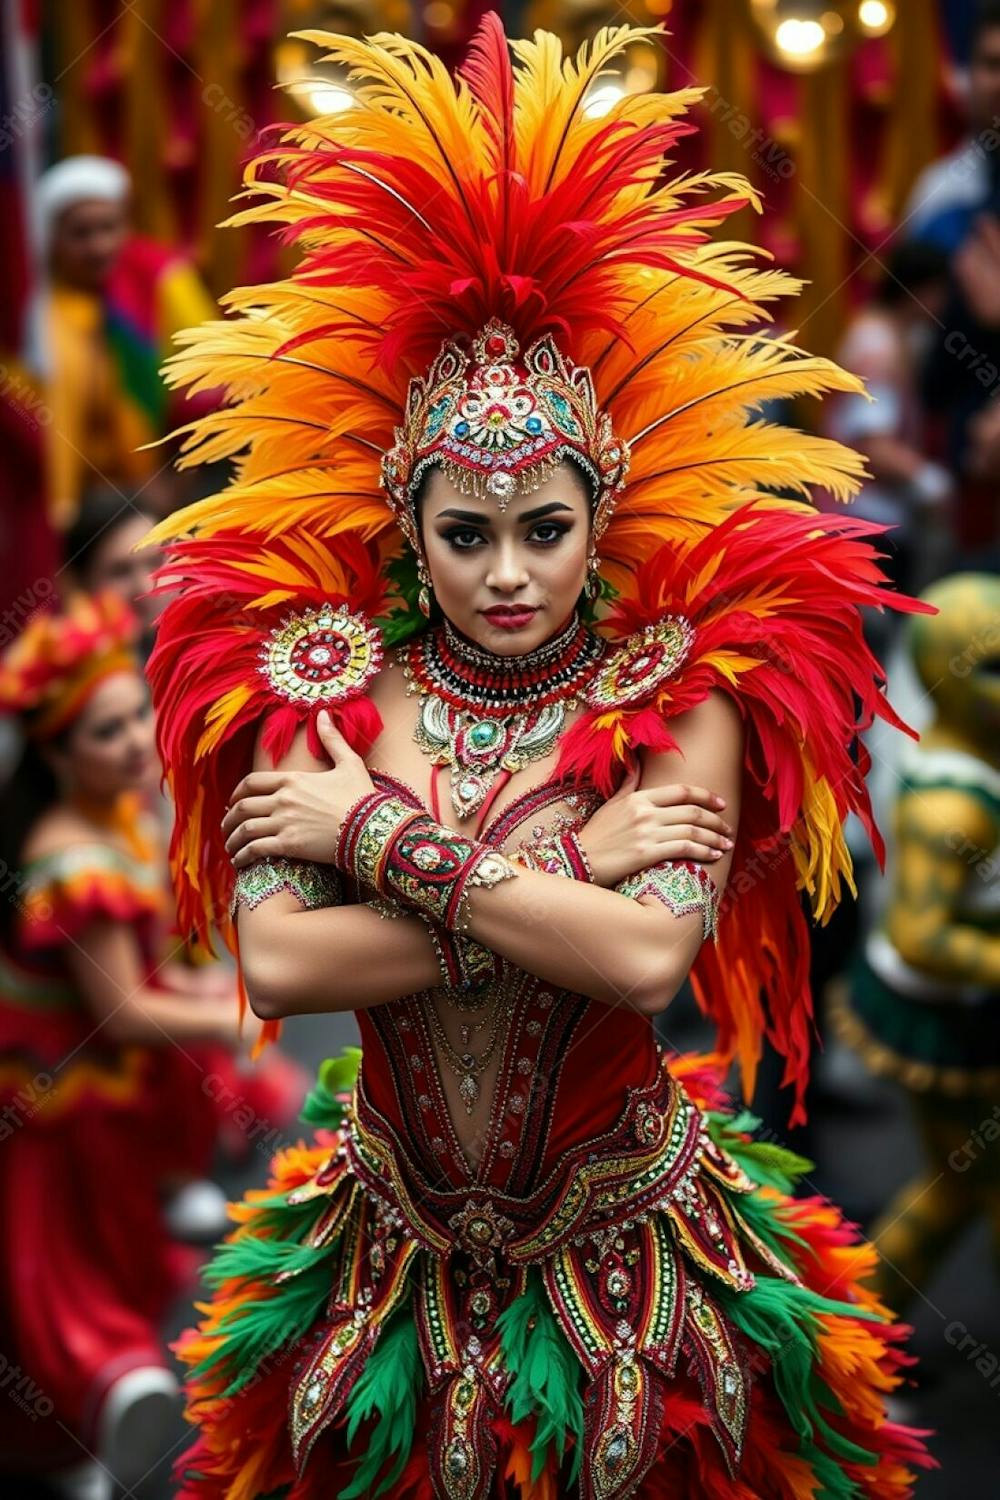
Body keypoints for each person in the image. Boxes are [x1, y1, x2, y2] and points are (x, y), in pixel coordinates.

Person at [145, 19, 933, 1497]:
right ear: (410, 527)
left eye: (544, 529)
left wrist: (379, 836)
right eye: (466, 533)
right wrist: (568, 876)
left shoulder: (679, 685)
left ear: (600, 515)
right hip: (381, 1266)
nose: (508, 572)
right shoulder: (325, 676)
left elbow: (648, 967)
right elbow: (283, 968)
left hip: (632, 1261)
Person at [0, 591, 241, 1500]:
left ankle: (84, 1428)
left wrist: (208, 994)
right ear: (58, 756)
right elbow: (123, 1011)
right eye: (106, 732)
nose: (137, 738)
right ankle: (93, 1410)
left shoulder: (112, 819)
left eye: (138, 713)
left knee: (105, 1260)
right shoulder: (77, 859)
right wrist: (231, 1013)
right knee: (62, 1282)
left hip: (96, 1091)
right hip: (61, 1108)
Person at [831, 572, 1000, 1316]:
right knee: (963, 1187)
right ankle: (854, 1347)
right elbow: (921, 934)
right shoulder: (950, 807)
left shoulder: (972, 747)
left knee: (959, 1189)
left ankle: (854, 1347)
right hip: (946, 1021)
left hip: (965, 1013)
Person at [21, 155, 217, 531]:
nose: (99, 246)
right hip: (72, 511)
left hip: (167, 492)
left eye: (109, 227)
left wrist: (177, 481)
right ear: (52, 238)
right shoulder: (37, 311)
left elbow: (212, 385)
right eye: (81, 233)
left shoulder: (163, 280)